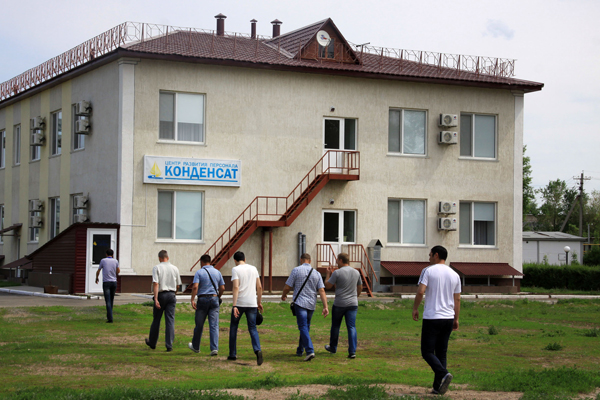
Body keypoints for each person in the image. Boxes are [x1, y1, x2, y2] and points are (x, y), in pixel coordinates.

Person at [412, 245, 461, 395]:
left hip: (432, 317)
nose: (429, 257)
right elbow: (457, 299)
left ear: (436, 255)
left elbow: (421, 291)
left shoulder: (428, 271)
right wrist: (456, 318)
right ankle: (437, 387)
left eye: (430, 255)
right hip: (448, 317)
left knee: (427, 352)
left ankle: (444, 373)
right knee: (441, 353)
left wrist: (415, 308)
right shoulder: (455, 274)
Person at [281, 253, 329, 362]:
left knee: (302, 326)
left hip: (300, 302)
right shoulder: (316, 273)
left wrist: (284, 295)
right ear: (310, 261)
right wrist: (325, 306)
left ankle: (309, 350)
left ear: (301, 260)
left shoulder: (296, 270)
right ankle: (300, 350)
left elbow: (288, 286)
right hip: (311, 304)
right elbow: (321, 290)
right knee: (306, 327)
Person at [324, 252, 362, 359]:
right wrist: (355, 296)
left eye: (337, 260)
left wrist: (328, 274)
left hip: (339, 303)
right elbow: (360, 287)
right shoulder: (356, 272)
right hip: (353, 304)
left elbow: (328, 285)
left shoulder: (337, 272)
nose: (337, 262)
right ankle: (352, 351)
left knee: (336, 326)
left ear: (341, 260)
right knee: (351, 327)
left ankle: (333, 347)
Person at [228, 251, 264, 365]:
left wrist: (234, 305)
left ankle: (232, 354)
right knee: (252, 328)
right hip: (252, 303)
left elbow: (236, 287)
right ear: (245, 259)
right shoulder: (254, 269)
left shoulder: (235, 269)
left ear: (235, 260)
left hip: (240, 303)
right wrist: (258, 302)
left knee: (234, 327)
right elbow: (259, 287)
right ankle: (257, 350)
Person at [145, 250, 182, 352]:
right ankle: (169, 345)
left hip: (161, 294)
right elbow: (178, 285)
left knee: (156, 319)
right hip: (171, 294)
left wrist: (156, 298)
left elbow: (156, 283)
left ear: (159, 258)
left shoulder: (157, 268)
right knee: (170, 320)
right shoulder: (175, 268)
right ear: (168, 257)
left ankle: (153, 342)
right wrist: (174, 294)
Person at [188, 254, 225, 355]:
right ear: (210, 261)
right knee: (214, 325)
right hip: (214, 298)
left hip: (202, 298)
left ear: (201, 262)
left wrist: (192, 299)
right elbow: (222, 287)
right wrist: (218, 296)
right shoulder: (217, 272)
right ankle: (214, 348)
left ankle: (196, 346)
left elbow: (195, 287)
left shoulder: (199, 272)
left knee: (199, 324)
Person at [95, 249, 120, 323]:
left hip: (106, 282)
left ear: (106, 254)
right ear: (113, 254)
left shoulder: (103, 260)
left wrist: (96, 278)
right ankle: (110, 315)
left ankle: (110, 318)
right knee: (111, 299)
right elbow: (118, 271)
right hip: (114, 282)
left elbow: (98, 270)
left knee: (107, 300)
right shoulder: (115, 261)